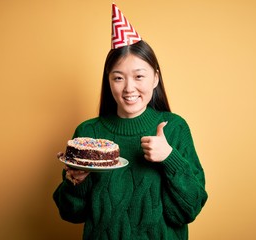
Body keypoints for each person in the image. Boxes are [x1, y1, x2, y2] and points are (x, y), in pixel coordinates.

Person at [53, 4, 208, 240]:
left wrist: (169, 157)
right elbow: (71, 213)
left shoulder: (174, 128)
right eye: (118, 78)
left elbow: (188, 210)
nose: (129, 88)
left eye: (139, 76)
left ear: (155, 78)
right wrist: (78, 181)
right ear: (108, 81)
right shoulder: (88, 133)